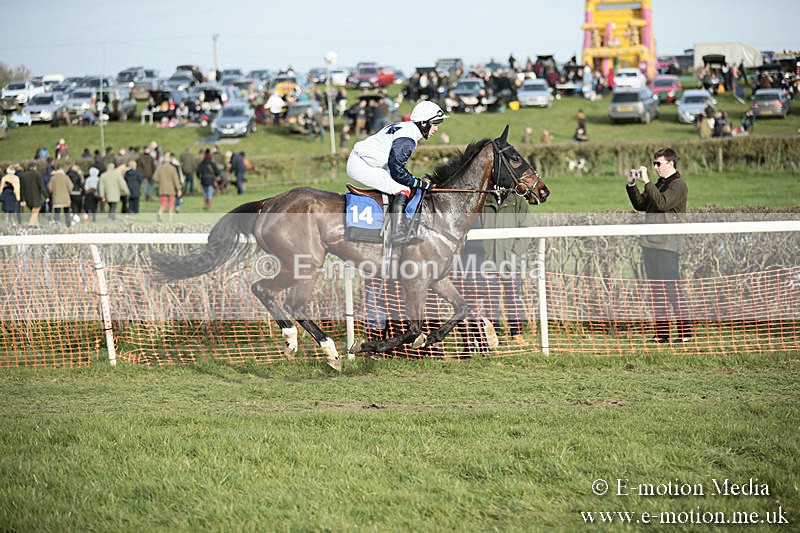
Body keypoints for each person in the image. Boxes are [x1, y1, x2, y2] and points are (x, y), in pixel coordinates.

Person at [345, 100, 446, 243]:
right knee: (402, 188)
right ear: (423, 123)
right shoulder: (408, 138)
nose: (436, 129)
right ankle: (397, 231)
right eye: (434, 124)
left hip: (367, 161)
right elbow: (397, 171)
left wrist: (416, 181)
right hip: (362, 165)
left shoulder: (407, 128)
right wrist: (419, 183)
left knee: (405, 184)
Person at [626, 147, 692, 344]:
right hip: (650, 244)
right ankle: (662, 334)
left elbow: (662, 203)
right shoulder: (658, 184)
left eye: (658, 164)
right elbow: (641, 205)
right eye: (654, 164)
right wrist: (631, 185)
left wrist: (647, 182)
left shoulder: (679, 185)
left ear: (671, 164)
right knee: (656, 292)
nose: (655, 168)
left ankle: (685, 332)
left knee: (672, 290)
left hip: (668, 245)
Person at [153, 151, 182, 222]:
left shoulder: (160, 168)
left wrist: (161, 181)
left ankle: (160, 212)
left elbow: (155, 178)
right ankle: (170, 218)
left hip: (162, 188)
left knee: (163, 202)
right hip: (171, 189)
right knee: (171, 204)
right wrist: (179, 189)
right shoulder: (173, 168)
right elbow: (176, 180)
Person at [48, 163, 73, 228]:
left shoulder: (53, 178)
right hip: (66, 198)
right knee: (67, 213)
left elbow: (50, 188)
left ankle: (56, 226)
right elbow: (71, 187)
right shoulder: (66, 177)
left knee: (57, 214)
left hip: (56, 198)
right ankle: (69, 226)